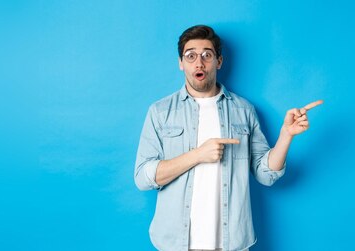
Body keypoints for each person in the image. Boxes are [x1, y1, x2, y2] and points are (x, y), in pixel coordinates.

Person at [134, 25, 322, 251]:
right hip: (175, 243)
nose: (199, 62)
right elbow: (143, 178)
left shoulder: (244, 110)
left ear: (219, 61)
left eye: (207, 55)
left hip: (231, 243)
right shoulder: (160, 112)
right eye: (191, 55)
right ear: (181, 63)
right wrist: (198, 155)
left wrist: (286, 136)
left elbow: (266, 174)